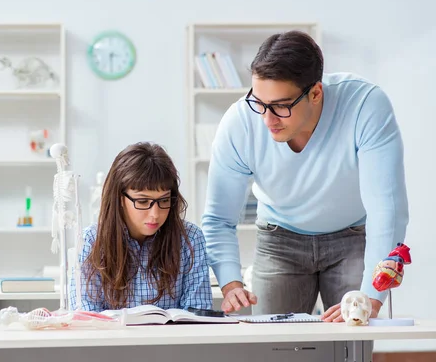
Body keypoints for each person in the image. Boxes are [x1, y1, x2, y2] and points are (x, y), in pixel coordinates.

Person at [201, 30, 408, 322]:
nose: (266, 119)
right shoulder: (239, 123)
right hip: (278, 239)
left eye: (281, 106)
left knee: (351, 340)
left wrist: (372, 297)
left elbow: (387, 209)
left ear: (315, 93)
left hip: (351, 238)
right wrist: (231, 281)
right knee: (275, 346)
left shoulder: (366, 106)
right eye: (258, 102)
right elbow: (219, 218)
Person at [70, 142, 213, 312]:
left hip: (173, 339)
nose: (155, 213)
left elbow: (198, 314)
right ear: (120, 198)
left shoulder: (190, 238)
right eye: (143, 201)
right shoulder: (91, 241)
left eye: (164, 200)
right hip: (111, 339)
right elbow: (86, 318)